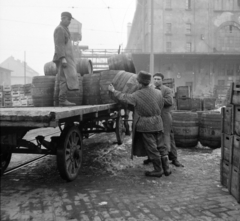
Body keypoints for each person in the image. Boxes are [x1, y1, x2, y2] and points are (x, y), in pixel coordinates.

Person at [108, 71, 171, 177]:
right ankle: (167, 169)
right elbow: (161, 105)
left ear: (139, 83)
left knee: (152, 148)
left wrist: (113, 91)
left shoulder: (137, 95)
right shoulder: (158, 92)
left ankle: (158, 170)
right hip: (158, 122)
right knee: (161, 146)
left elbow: (124, 97)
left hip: (146, 125)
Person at [143, 72, 182, 167]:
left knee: (168, 137)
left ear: (162, 80)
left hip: (164, 117)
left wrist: (156, 98)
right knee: (152, 138)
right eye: (155, 79)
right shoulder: (149, 89)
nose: (156, 81)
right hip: (152, 117)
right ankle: (151, 157)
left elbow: (169, 101)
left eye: (158, 79)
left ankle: (174, 159)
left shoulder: (167, 90)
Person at [53, 12, 79, 107]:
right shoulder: (60, 29)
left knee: (66, 78)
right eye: (68, 19)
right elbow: (59, 45)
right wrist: (63, 58)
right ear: (63, 18)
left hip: (66, 58)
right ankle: (62, 100)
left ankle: (62, 99)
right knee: (64, 79)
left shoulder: (65, 29)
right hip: (63, 58)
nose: (69, 22)